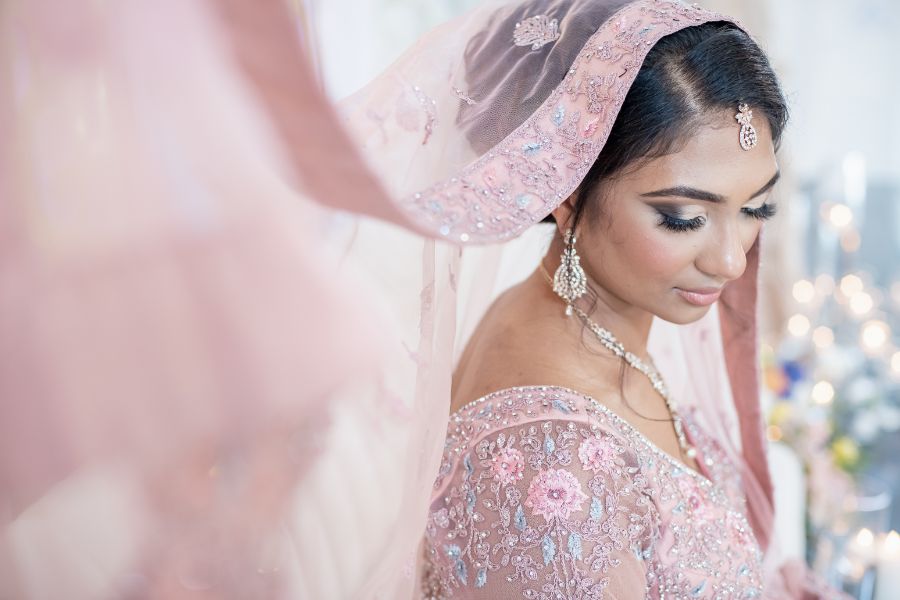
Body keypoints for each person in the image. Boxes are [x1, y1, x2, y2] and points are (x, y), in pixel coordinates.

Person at [336, 0, 852, 596]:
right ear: (565, 190)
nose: (731, 261)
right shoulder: (552, 467)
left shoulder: (583, 318)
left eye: (755, 209)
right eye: (684, 218)